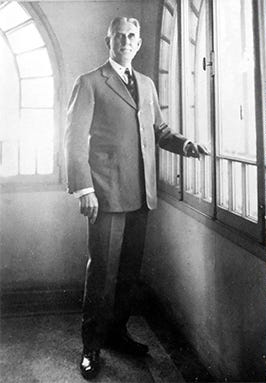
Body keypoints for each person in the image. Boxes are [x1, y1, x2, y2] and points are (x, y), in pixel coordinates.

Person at [64, 17, 208, 380]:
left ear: (139, 43)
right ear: (108, 41)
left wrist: (184, 144)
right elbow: (72, 139)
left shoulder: (145, 84)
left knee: (128, 274)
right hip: (105, 197)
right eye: (119, 37)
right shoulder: (90, 83)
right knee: (102, 274)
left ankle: (116, 334)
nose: (125, 42)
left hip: (141, 196)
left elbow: (158, 130)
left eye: (131, 37)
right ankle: (91, 347)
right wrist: (85, 189)